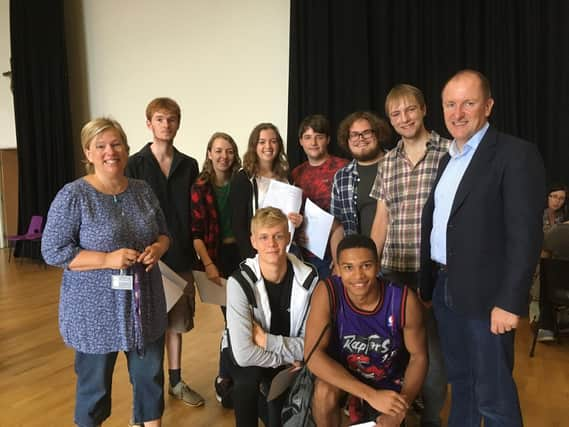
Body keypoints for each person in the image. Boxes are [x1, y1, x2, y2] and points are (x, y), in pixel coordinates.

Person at [419, 70, 545, 427]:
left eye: (468, 103)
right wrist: (430, 287)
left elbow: (526, 237)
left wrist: (510, 301)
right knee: (462, 386)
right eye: (450, 104)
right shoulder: (448, 159)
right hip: (446, 290)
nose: (458, 112)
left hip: (489, 298)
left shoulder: (515, 154)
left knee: (494, 394)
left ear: (487, 106)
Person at [41, 117, 170, 427]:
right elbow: (53, 250)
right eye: (100, 146)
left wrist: (159, 248)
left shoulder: (142, 190)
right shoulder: (74, 196)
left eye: (116, 144)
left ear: (126, 149)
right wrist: (106, 259)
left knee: (149, 380)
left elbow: (164, 233)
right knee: (94, 389)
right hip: (94, 312)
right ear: (88, 153)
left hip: (145, 306)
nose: (110, 152)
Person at [369, 84, 450, 427]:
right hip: (393, 273)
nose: (404, 119)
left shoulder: (451, 152)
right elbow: (381, 220)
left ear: (424, 109)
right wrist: (371, 267)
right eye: (396, 114)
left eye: (410, 110)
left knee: (431, 358)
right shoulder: (387, 162)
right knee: (391, 354)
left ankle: (431, 420)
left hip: (433, 274)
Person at [125, 98, 204, 407]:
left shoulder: (190, 164)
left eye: (172, 119)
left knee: (177, 323)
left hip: (181, 254)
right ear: (149, 124)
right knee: (146, 324)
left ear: (178, 123)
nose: (166, 125)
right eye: (160, 119)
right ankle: (148, 386)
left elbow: (195, 210)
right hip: (147, 256)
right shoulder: (135, 164)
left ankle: (176, 381)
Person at [305, 234, 427, 426]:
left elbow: (418, 357)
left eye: (366, 265)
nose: (358, 276)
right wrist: (370, 395)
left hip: (389, 381)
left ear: (378, 266)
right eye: (348, 268)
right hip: (344, 377)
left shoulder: (403, 300)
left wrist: (399, 409)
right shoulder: (328, 292)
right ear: (337, 269)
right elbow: (312, 356)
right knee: (323, 393)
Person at [226, 207, 319, 427]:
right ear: (253, 242)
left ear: (288, 237)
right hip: (257, 356)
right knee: (245, 386)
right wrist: (286, 358)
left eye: (278, 236)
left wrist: (268, 341)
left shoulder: (310, 279)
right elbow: (244, 354)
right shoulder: (238, 282)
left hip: (281, 349)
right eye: (264, 238)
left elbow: (313, 345)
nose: (272, 244)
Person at [190, 132, 242, 405]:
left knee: (247, 315)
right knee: (231, 319)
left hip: (244, 255)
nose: (224, 156)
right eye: (219, 151)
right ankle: (225, 377)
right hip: (216, 258)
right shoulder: (200, 186)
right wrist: (209, 264)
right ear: (209, 153)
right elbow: (196, 233)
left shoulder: (242, 181)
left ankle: (242, 374)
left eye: (229, 151)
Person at [229, 123, 302, 261]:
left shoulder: (287, 177)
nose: (268, 146)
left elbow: (294, 214)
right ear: (254, 146)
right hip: (257, 254)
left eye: (273, 141)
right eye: (262, 142)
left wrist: (298, 221)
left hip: (285, 251)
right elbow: (238, 226)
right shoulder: (243, 179)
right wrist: (252, 259)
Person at [291, 114, 349, 279]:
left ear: (328, 139)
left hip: (336, 251)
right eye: (308, 137)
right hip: (304, 254)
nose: (313, 143)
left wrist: (341, 254)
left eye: (319, 137)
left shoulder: (343, 168)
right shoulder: (296, 173)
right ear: (301, 141)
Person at [330, 111, 391, 259]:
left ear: (377, 134)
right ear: (347, 140)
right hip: (359, 263)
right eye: (354, 134)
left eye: (366, 133)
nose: (361, 139)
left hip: (395, 259)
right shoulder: (342, 177)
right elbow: (337, 225)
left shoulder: (397, 164)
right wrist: (339, 262)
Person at [536, 183, 568, 341]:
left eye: (562, 198)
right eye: (554, 196)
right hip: (539, 258)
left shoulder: (565, 216)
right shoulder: (537, 213)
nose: (558, 201)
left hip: (558, 259)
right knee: (545, 270)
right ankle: (544, 324)